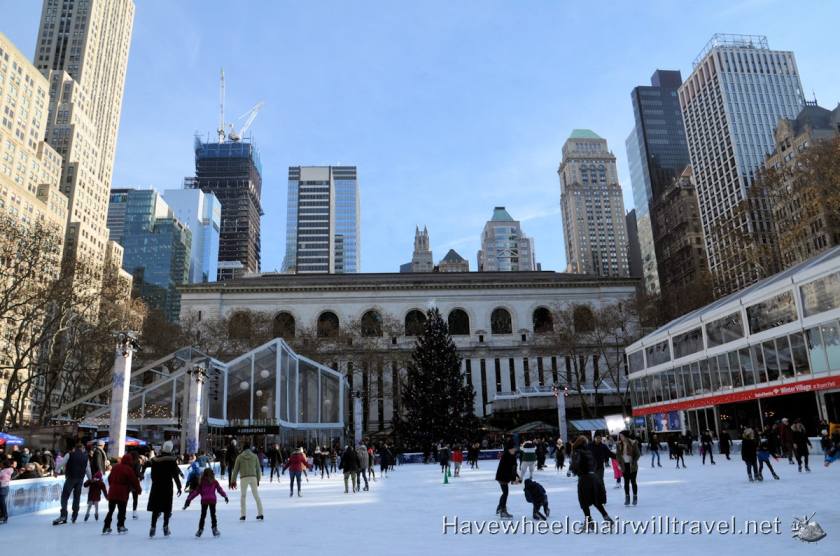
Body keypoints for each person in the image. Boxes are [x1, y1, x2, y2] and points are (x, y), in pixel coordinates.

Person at [570, 436, 612, 531]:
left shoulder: (577, 452)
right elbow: (595, 463)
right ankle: (607, 518)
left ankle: (589, 522)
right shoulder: (588, 451)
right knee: (595, 500)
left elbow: (576, 464)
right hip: (593, 477)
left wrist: (574, 471)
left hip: (584, 478)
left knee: (584, 501)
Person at [146, 440, 183, 537]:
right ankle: (165, 527)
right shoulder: (172, 460)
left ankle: (153, 527)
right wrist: (179, 487)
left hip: (157, 486)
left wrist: (155, 482)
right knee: (167, 507)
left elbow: (152, 475)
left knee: (156, 507)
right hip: (167, 486)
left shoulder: (155, 460)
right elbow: (175, 475)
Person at [102, 454, 142, 535]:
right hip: (122, 492)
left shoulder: (116, 467)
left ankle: (106, 526)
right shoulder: (128, 469)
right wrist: (138, 490)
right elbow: (134, 481)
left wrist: (113, 486)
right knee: (122, 510)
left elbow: (109, 479)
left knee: (111, 510)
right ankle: (121, 526)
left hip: (113, 491)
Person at [53, 442, 91, 525]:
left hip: (71, 478)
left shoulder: (69, 454)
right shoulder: (86, 457)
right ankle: (75, 515)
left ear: (75, 448)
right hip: (80, 479)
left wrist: (56, 471)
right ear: (82, 448)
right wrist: (90, 479)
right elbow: (88, 469)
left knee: (64, 497)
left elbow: (61, 463)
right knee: (77, 497)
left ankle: (63, 515)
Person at [184, 467, 228, 537]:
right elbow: (220, 489)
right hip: (212, 500)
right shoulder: (214, 482)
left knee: (203, 516)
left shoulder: (201, 482)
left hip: (204, 500)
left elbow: (196, 492)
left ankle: (200, 530)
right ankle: (214, 529)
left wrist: (189, 499)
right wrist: (225, 496)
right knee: (213, 515)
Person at [230, 444, 264, 520]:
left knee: (243, 496)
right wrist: (258, 479)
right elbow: (258, 469)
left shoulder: (239, 457)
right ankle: (260, 513)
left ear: (243, 449)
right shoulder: (254, 456)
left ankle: (243, 515)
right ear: (249, 449)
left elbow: (235, 470)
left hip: (244, 478)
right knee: (256, 496)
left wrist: (233, 481)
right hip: (253, 477)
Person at [495, 440, 518, 519]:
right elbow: (509, 469)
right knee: (505, 493)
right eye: (514, 448)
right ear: (510, 449)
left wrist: (515, 477)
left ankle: (500, 507)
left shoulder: (511, 455)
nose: (515, 449)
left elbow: (513, 469)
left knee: (505, 492)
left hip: (503, 476)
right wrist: (513, 479)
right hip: (502, 477)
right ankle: (503, 510)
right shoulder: (507, 456)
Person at [617, 431, 640, 506]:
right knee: (626, 482)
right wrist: (619, 463)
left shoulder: (633, 443)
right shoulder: (619, 444)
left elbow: (637, 454)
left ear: (626, 436)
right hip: (624, 465)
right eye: (620, 436)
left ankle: (635, 496)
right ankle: (627, 497)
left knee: (633, 481)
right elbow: (618, 455)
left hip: (632, 465)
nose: (621, 437)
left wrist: (633, 461)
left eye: (622, 436)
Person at [0, 459, 13, 524]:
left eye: (1, 464)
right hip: (5, 487)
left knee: (2, 503)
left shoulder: (3, 472)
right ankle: (3, 516)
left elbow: (2, 480)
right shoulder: (9, 470)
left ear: (4, 465)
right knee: (2, 503)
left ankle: (4, 516)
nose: (0, 464)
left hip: (2, 488)